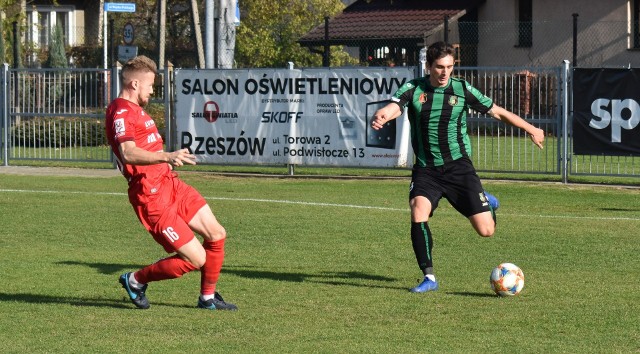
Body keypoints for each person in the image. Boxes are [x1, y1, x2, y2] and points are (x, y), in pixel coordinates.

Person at [370, 41, 545, 293]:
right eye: (439, 67)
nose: (444, 72)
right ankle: (429, 278)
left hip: (458, 168)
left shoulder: (462, 89)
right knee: (418, 209)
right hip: (426, 169)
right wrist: (383, 114)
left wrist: (531, 129)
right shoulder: (414, 88)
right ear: (429, 66)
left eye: (449, 67)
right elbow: (395, 106)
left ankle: (487, 201)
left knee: (486, 231)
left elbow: (497, 112)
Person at [105, 55, 237, 310]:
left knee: (217, 233)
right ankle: (135, 280)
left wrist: (166, 163)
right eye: (150, 85)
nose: (152, 91)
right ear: (134, 84)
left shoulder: (136, 110)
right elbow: (128, 153)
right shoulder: (120, 111)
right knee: (196, 259)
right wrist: (167, 155)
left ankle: (207, 298)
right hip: (150, 195)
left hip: (170, 184)